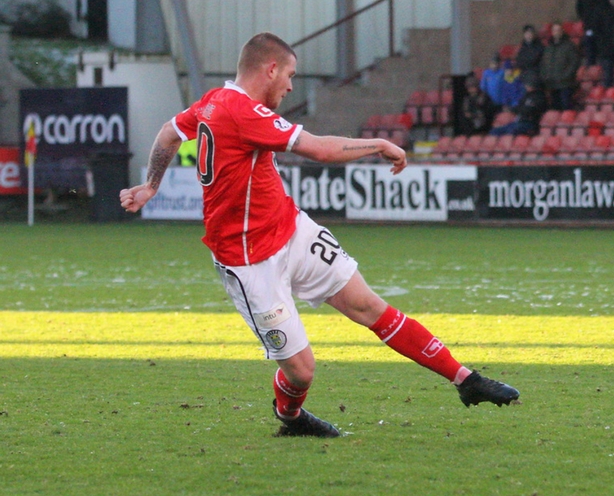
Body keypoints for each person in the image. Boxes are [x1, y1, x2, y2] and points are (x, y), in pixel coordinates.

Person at [118, 34, 519, 438]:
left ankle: (465, 380)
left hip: (291, 232)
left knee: (368, 306)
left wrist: (152, 184)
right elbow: (321, 150)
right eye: (290, 75)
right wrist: (378, 144)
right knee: (301, 371)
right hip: (249, 261)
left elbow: (168, 134)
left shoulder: (211, 102)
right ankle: (291, 418)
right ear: (270, 69)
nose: (291, 85)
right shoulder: (242, 111)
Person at [541, 23, 581, 110]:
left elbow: (575, 62)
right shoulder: (548, 47)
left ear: (562, 31)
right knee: (555, 109)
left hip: (565, 84)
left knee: (566, 107)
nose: (556, 32)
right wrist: (545, 76)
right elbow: (543, 63)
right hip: (552, 84)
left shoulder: (569, 45)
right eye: (554, 30)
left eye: (558, 30)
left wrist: (566, 75)